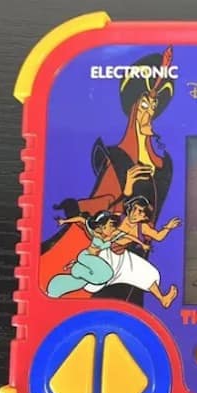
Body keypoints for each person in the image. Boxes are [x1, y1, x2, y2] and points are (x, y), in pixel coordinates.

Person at [41, 47, 175, 304]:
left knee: (143, 283)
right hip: (111, 255)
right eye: (143, 106)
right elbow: (103, 205)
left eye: (153, 105)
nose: (149, 112)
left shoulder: (163, 162)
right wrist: (126, 190)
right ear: (133, 109)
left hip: (137, 252)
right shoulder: (118, 159)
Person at [84, 196, 181, 308]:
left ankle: (163, 299)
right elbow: (101, 229)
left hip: (122, 257)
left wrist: (168, 227)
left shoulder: (142, 227)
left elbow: (158, 236)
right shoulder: (117, 218)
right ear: (129, 208)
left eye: (140, 212)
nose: (135, 214)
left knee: (147, 272)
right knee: (91, 283)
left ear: (144, 216)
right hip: (106, 253)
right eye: (134, 209)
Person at [46, 211, 148, 298]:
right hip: (85, 257)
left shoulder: (112, 236)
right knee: (107, 274)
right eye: (110, 226)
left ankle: (54, 289)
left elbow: (128, 236)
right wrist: (64, 221)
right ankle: (76, 269)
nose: (112, 229)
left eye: (113, 227)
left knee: (79, 283)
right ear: (102, 225)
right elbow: (81, 219)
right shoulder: (95, 233)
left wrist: (142, 244)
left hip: (91, 261)